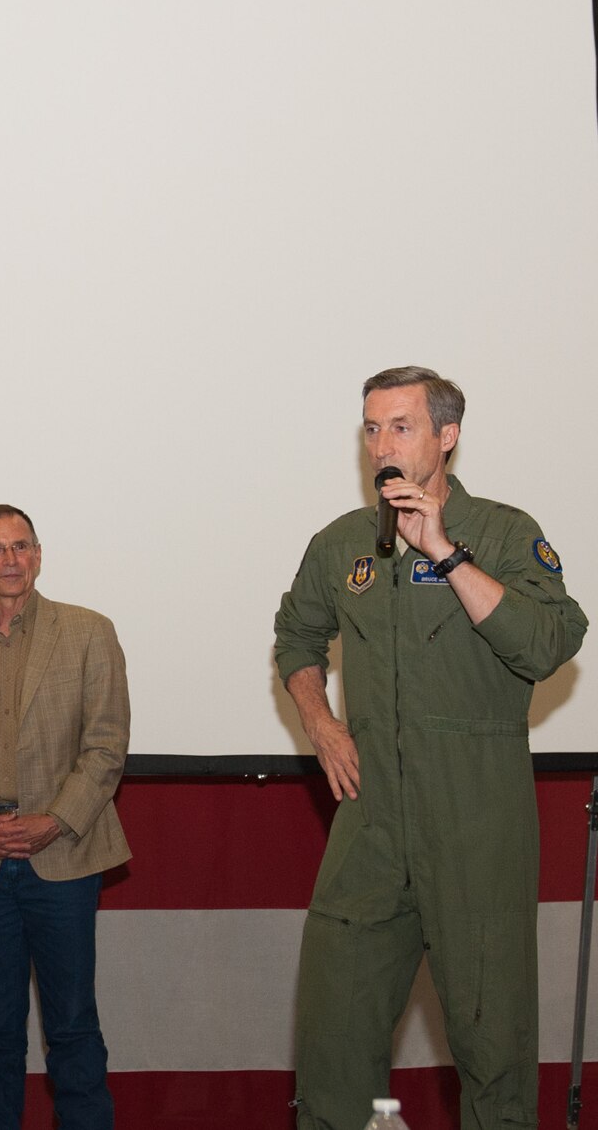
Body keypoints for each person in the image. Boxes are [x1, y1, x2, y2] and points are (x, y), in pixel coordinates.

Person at [275, 366, 587, 1130]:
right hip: (370, 826)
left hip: (474, 829)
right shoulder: (344, 543)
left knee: (494, 1050)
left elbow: (549, 641)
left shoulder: (506, 532)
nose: (382, 444)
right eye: (372, 428)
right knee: (334, 1044)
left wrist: (445, 552)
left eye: (401, 426)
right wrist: (320, 721)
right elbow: (297, 634)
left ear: (446, 437)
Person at [0, 504, 130, 1130]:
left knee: (72, 1029)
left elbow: (106, 746)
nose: (10, 561)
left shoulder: (89, 632)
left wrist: (54, 820)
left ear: (38, 555)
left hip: (62, 857)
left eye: (21, 547)